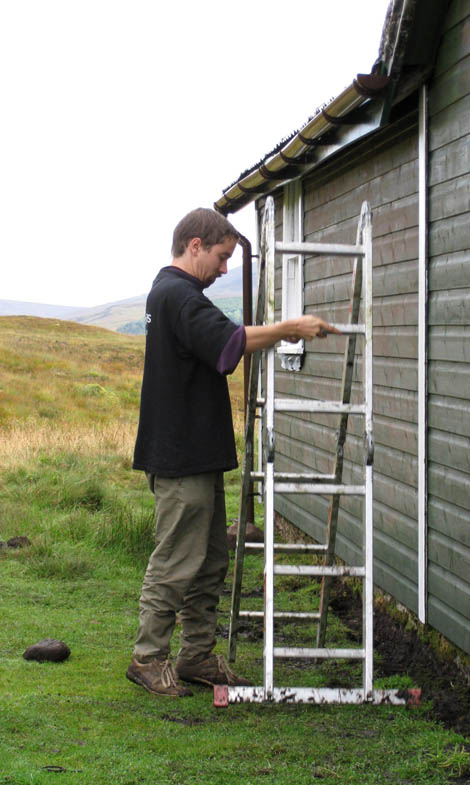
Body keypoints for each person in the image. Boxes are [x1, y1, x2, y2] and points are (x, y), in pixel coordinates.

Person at [127, 207, 340, 697]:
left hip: (194, 453)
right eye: (222, 257)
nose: (226, 268)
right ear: (195, 245)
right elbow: (230, 346)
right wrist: (291, 329)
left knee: (209, 561)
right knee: (178, 559)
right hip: (181, 457)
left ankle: (196, 656)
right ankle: (148, 658)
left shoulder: (173, 294)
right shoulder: (179, 295)